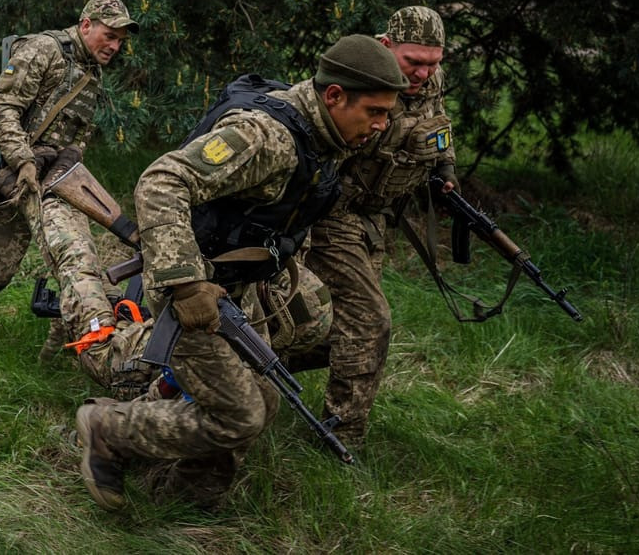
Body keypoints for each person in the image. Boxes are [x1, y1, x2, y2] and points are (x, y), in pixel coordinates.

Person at [74, 34, 410, 511]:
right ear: (334, 96)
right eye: (374, 112)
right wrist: (186, 284)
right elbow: (162, 180)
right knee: (240, 414)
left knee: (263, 400)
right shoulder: (266, 137)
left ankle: (186, 501)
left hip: (234, 288)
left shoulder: (324, 134)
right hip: (190, 287)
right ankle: (107, 430)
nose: (381, 125)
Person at [0, 0, 141, 382]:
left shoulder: (93, 70)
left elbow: (80, 133)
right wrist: (24, 160)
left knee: (73, 256)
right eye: (109, 36)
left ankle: (57, 358)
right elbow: (2, 107)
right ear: (86, 24)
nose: (114, 46)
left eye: (121, 40)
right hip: (13, 172)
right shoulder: (44, 50)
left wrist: (69, 158)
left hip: (54, 180)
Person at [299, 6, 458, 448]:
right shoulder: (359, 77)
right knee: (370, 320)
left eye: (434, 62)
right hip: (335, 213)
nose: (424, 73)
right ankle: (341, 437)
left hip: (379, 218)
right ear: (387, 47)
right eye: (414, 62)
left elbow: (438, 125)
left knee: (341, 326)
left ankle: (251, 367)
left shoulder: (430, 80)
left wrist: (445, 169)